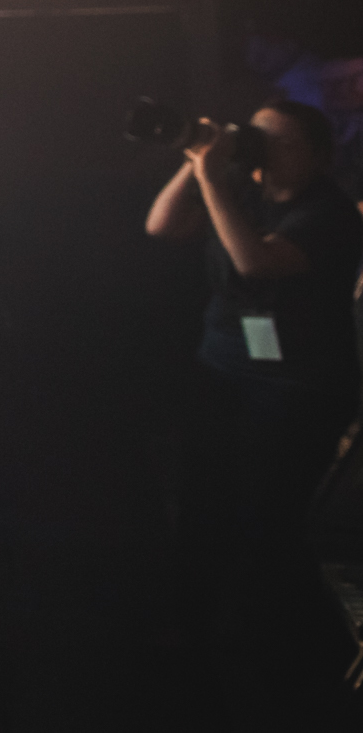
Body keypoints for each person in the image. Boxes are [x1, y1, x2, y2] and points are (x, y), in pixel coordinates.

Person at [144, 97, 362, 725]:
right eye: (256, 138)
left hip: (296, 390)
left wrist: (216, 180)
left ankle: (283, 664)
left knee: (265, 522)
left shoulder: (332, 215)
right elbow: (161, 227)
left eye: (282, 143)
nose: (263, 152)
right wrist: (196, 159)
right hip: (223, 371)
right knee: (199, 503)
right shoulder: (239, 189)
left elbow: (254, 261)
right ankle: (191, 638)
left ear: (320, 156)